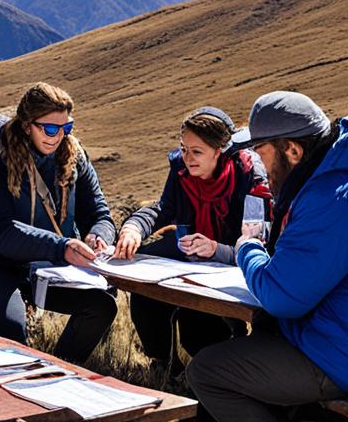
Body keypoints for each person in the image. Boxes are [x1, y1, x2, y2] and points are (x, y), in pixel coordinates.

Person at [186, 91, 348, 422]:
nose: (261, 167)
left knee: (209, 370)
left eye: (262, 153)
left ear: (293, 151)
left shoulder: (333, 198)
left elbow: (281, 297)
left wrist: (247, 247)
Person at [0, 82, 118, 365]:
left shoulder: (73, 155)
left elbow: (99, 213)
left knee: (101, 307)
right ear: (27, 125)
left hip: (43, 267)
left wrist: (98, 235)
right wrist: (62, 247)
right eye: (49, 129)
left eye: (66, 127)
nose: (58, 136)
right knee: (12, 333)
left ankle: (58, 371)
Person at [114, 107, 270, 373]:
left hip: (234, 263)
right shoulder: (180, 168)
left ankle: (217, 372)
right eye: (184, 148)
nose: (187, 158)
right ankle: (163, 366)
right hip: (193, 255)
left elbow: (258, 246)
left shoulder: (250, 178)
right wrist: (133, 227)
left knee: (196, 331)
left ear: (220, 150)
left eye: (196, 151)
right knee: (144, 293)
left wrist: (216, 248)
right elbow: (163, 209)